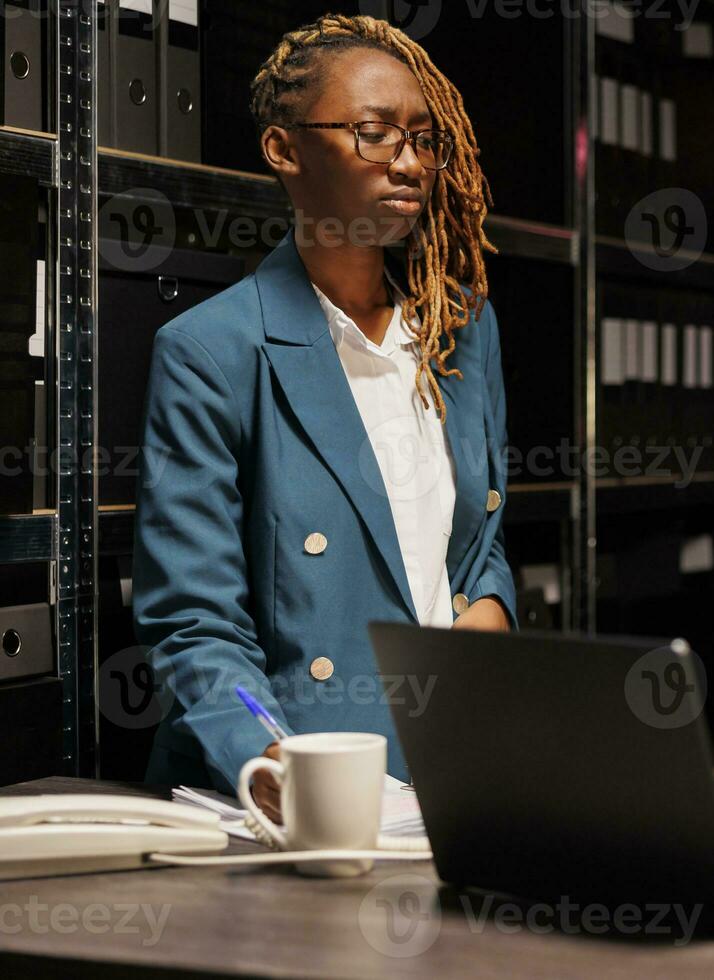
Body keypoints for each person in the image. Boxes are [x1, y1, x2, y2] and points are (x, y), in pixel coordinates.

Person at [133, 15, 516, 818]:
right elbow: (191, 619)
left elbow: (478, 544)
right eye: (375, 134)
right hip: (296, 789)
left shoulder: (461, 330)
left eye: (422, 139)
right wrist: (269, 756)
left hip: (449, 769)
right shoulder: (213, 350)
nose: (408, 162)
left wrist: (487, 613)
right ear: (284, 150)